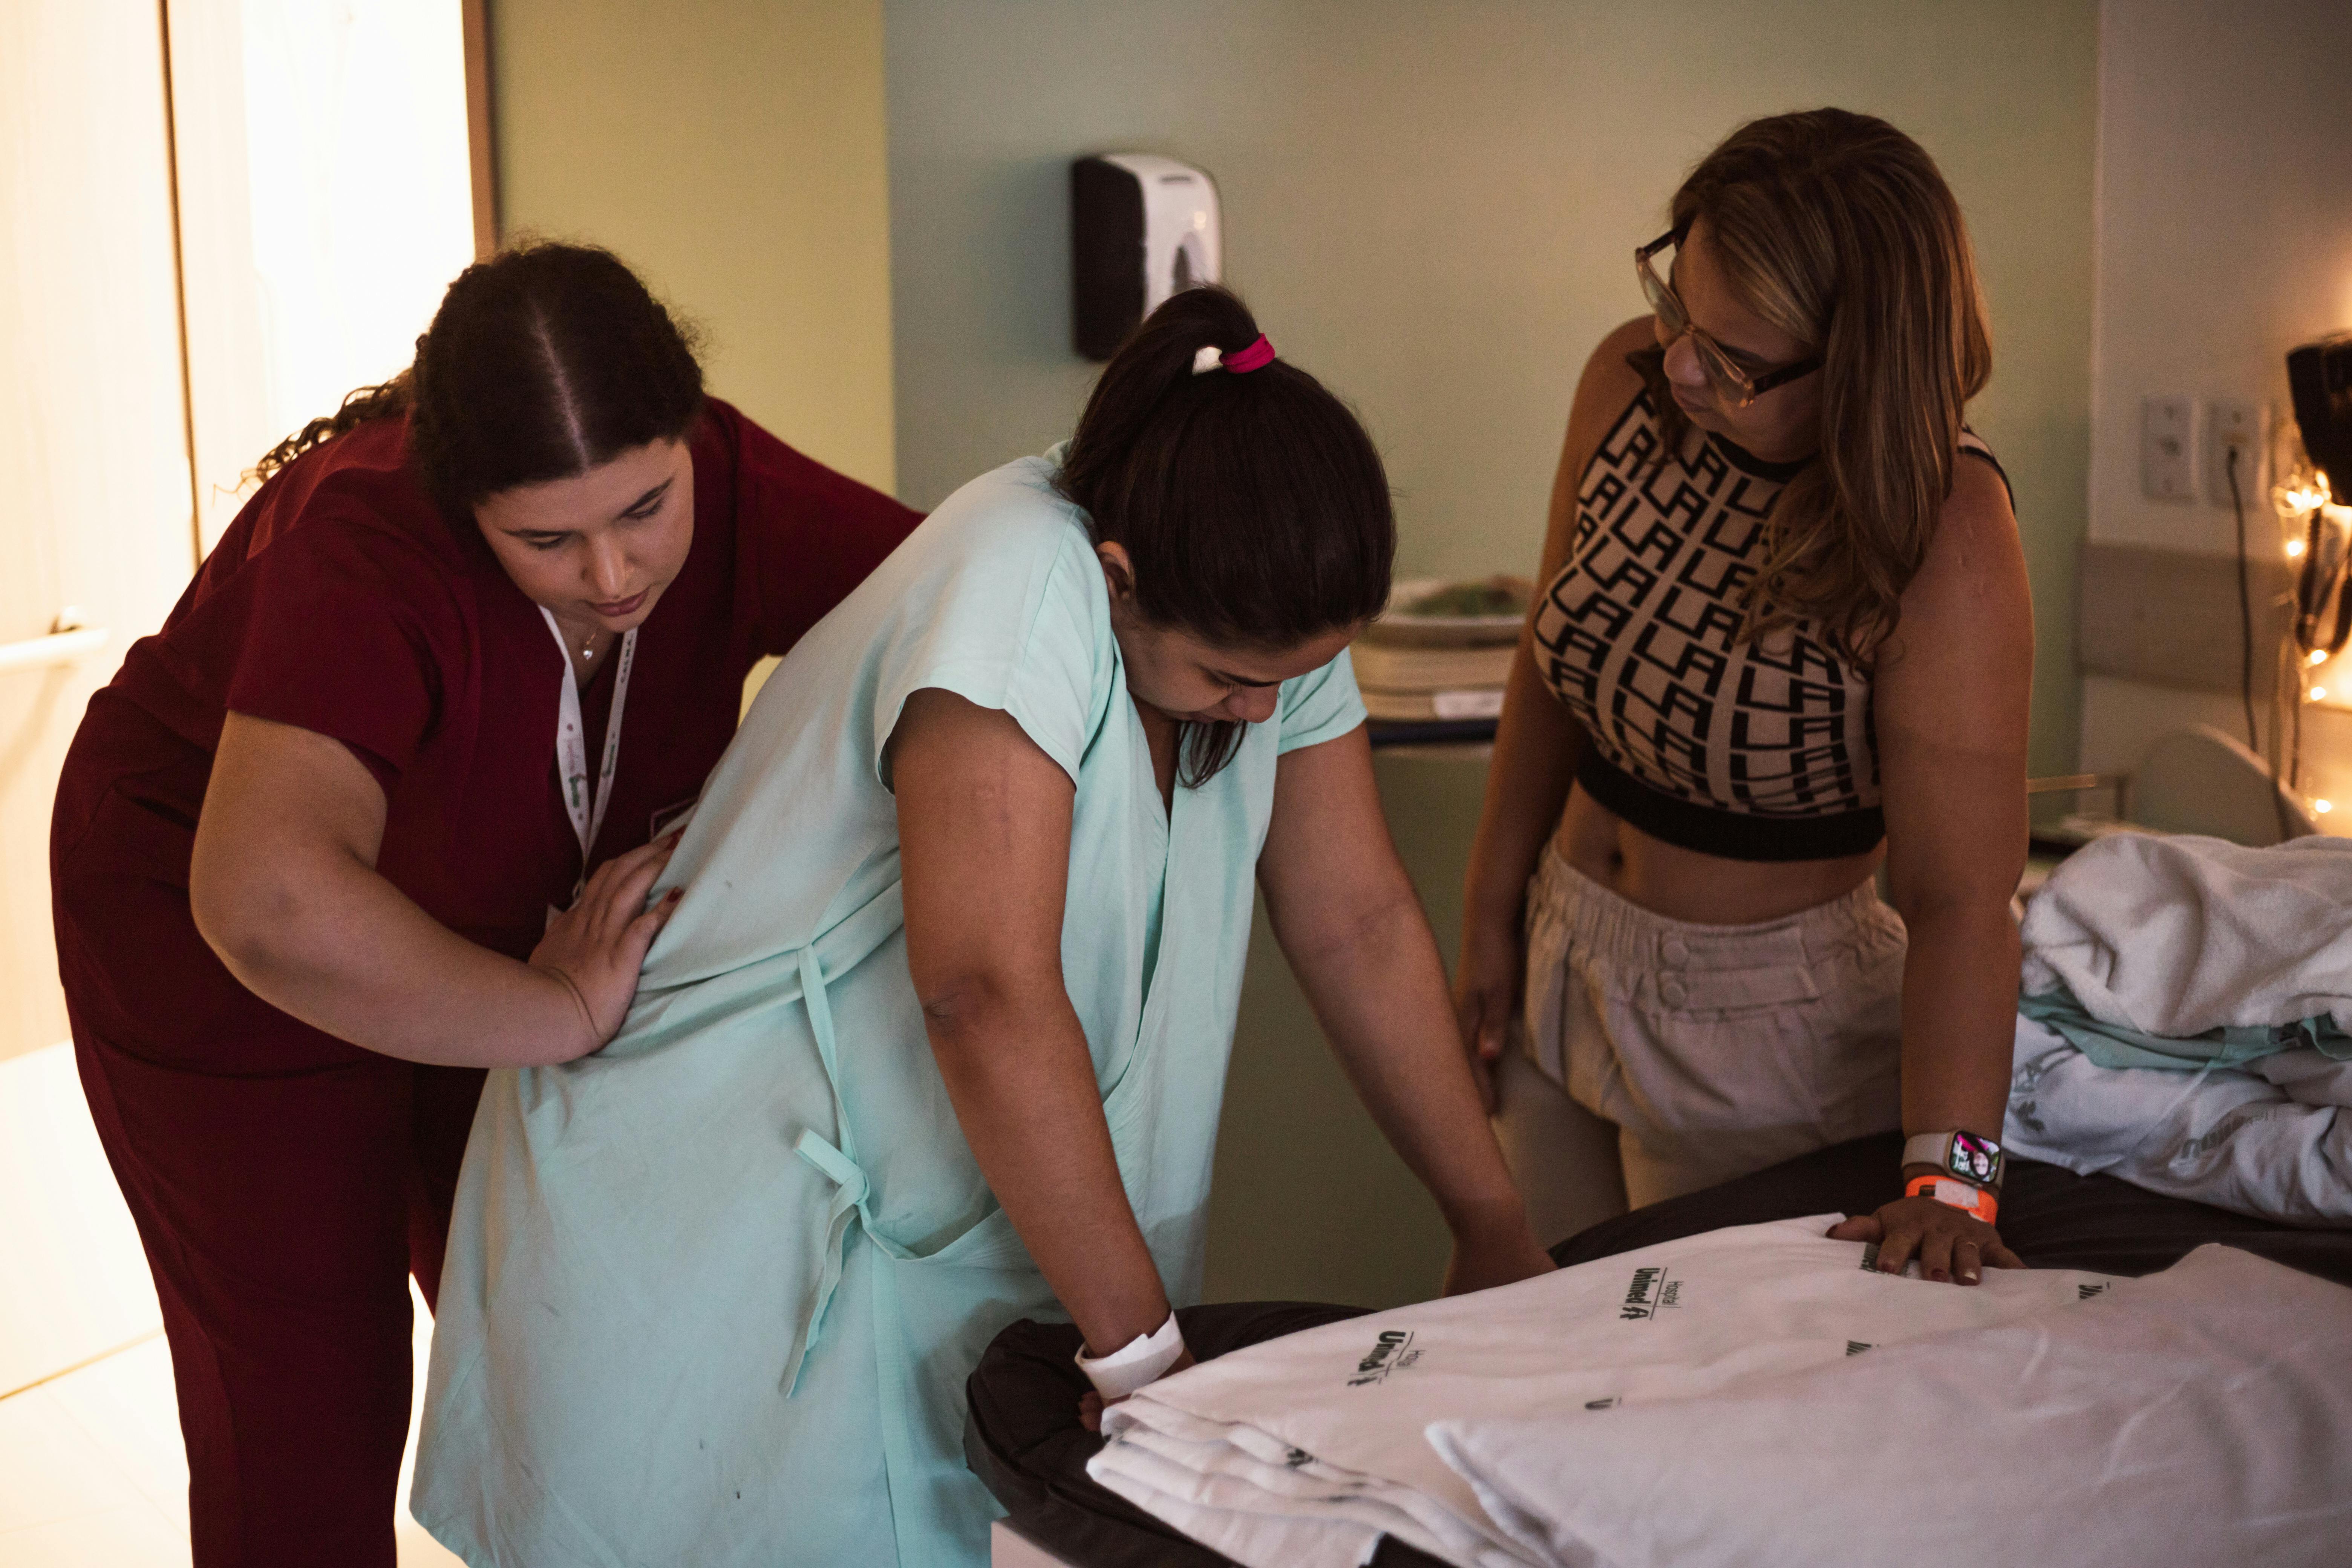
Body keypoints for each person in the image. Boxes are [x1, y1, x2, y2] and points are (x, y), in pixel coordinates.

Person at [411, 286, 1553, 1567]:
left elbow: (1356, 917)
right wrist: (1146, 1360)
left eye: (1286, 685)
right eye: (1233, 684)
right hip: (726, 1222)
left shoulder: (1261, 607)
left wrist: (1489, 1216)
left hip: (954, 1212)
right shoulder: (1015, 587)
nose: (1259, 715)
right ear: (1121, 582)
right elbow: (983, 991)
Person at [48, 242, 921, 1568]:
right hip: (205, 923)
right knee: (312, 1386)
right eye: (547, 541)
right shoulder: (360, 540)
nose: (616, 575)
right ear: (461, 504)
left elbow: (961, 612)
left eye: (645, 511)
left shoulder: (732, 482)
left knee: (566, 1330)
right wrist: (558, 1007)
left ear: (687, 437)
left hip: (480, 911)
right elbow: (271, 901)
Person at [1454, 110, 2033, 1286]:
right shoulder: (1629, 387)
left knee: (1671, 1399)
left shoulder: (1943, 533)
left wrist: (1955, 1182)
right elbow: (1557, 657)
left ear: (1861, 365)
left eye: (1732, 358)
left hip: (1763, 1037)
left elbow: (1966, 897)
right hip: (1564, 955)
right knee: (1515, 1354)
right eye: (1679, 306)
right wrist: (1488, 907)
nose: (1679, 362)